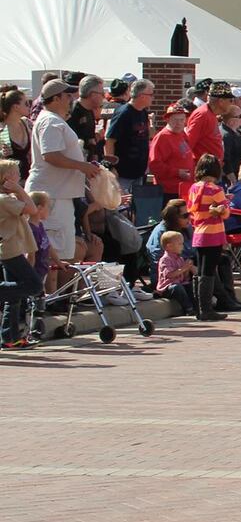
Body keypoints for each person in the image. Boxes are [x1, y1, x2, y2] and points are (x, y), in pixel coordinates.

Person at [25, 79, 98, 261]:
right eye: (67, 95)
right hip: (51, 195)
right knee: (51, 253)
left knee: (62, 252)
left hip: (58, 193)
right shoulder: (50, 121)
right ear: (56, 98)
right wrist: (83, 166)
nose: (71, 99)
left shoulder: (54, 120)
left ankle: (53, 290)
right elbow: (50, 155)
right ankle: (45, 290)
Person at [0, 159, 43, 349]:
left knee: (14, 298)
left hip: (14, 247)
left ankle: (10, 337)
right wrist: (19, 189)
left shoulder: (9, 198)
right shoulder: (5, 199)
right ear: (7, 178)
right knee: (34, 285)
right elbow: (33, 210)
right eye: (16, 174)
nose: (20, 177)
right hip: (10, 250)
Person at [183, 153, 231, 321]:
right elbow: (225, 213)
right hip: (213, 234)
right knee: (209, 272)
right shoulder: (215, 189)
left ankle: (200, 308)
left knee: (200, 272)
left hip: (198, 233)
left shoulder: (194, 188)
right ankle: (206, 309)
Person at [104, 79, 158, 223]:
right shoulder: (124, 113)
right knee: (122, 209)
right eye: (151, 94)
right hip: (123, 172)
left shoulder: (143, 112)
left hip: (138, 172)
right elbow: (110, 140)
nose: (153, 97)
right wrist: (111, 166)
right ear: (141, 95)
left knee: (136, 209)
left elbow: (149, 135)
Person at [148, 103, 195, 202]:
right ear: (167, 119)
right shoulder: (162, 137)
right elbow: (155, 165)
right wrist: (177, 172)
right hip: (169, 191)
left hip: (184, 188)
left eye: (181, 120)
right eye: (175, 120)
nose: (178, 123)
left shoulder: (182, 133)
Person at [154, 230, 198, 316]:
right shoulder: (165, 259)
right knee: (177, 287)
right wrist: (183, 268)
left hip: (180, 284)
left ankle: (197, 306)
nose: (182, 246)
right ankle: (188, 308)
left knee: (190, 285)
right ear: (169, 246)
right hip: (167, 288)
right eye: (180, 244)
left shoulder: (180, 258)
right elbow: (169, 275)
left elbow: (185, 278)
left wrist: (187, 269)